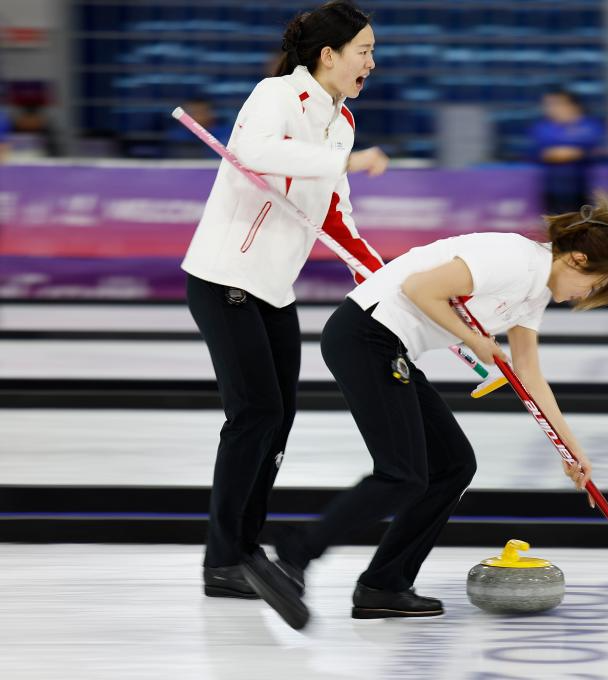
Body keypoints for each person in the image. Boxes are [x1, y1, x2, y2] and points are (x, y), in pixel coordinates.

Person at [241, 198, 608, 629]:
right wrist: (475, 340)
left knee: (453, 465)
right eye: (593, 285)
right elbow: (420, 288)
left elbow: (530, 375)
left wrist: (572, 452)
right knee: (402, 473)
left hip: (391, 347)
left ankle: (384, 586)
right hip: (366, 335)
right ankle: (292, 556)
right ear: (577, 260)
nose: (584, 296)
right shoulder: (514, 259)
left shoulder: (534, 293)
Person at [182, 0, 388, 600]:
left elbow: (337, 216)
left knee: (277, 421)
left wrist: (385, 282)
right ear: (329, 55)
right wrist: (342, 160)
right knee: (255, 415)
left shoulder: (341, 122)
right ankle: (222, 560)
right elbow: (256, 153)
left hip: (273, 288)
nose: (372, 63)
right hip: (226, 275)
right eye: (364, 51)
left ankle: (244, 550)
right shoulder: (276, 95)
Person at [530, 90, 604, 215]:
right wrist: (570, 152)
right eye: (547, 104)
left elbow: (593, 150)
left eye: (556, 104)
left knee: (582, 222)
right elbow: (541, 152)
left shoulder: (590, 125)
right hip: (551, 186)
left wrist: (573, 153)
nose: (550, 108)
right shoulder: (542, 127)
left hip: (583, 186)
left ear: (573, 105)